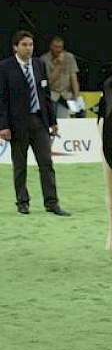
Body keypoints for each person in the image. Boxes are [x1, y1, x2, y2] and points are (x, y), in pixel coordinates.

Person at [0, 30, 69, 216]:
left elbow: (45, 95)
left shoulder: (39, 64)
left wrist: (53, 121)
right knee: (20, 166)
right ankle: (22, 202)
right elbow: (2, 99)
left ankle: (52, 203)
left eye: (30, 44)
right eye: (24, 45)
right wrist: (3, 126)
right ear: (15, 47)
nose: (28, 48)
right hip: (17, 125)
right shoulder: (5, 67)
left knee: (47, 164)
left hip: (39, 121)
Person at [40, 36, 82, 118]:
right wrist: (59, 65)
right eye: (56, 47)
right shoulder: (44, 60)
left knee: (70, 119)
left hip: (67, 95)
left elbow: (74, 78)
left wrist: (77, 97)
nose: (58, 50)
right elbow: (48, 82)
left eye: (60, 47)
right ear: (51, 46)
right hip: (51, 95)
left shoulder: (69, 57)